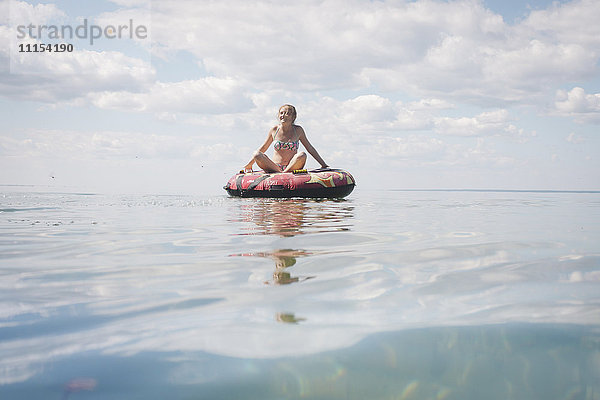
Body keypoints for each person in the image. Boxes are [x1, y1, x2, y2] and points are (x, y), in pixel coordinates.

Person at [243, 104, 328, 173]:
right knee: (256, 154)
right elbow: (264, 148)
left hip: (293, 166)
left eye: (287, 113)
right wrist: (250, 164)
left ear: (293, 117)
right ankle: (280, 172)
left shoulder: (298, 130)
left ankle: (285, 172)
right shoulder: (274, 130)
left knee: (302, 155)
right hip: (274, 167)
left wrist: (323, 164)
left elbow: (310, 148)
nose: (283, 115)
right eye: (281, 113)